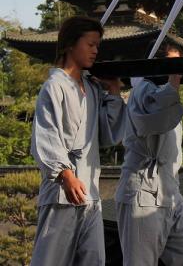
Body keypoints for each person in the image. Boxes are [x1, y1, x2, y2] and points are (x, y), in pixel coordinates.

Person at [30, 16, 125, 266]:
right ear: (71, 44)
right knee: (51, 260)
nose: (95, 51)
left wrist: (114, 93)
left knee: (93, 259)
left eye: (97, 45)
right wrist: (65, 173)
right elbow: (46, 134)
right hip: (62, 189)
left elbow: (107, 135)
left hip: (90, 192)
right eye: (91, 44)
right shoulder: (54, 86)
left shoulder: (92, 88)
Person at [115, 45, 183, 266]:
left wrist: (173, 83)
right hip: (143, 189)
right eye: (172, 65)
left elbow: (168, 107)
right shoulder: (142, 90)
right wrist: (174, 80)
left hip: (170, 189)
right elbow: (157, 119)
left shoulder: (164, 93)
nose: (177, 72)